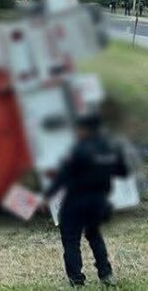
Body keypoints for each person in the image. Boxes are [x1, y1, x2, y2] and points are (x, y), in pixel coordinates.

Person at [44, 114, 128, 287]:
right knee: (95, 236)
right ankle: (106, 274)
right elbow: (123, 172)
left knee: (71, 241)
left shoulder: (79, 150)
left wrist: (46, 197)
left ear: (85, 130)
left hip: (75, 202)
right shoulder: (111, 149)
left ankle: (76, 280)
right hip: (98, 202)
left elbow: (63, 177)